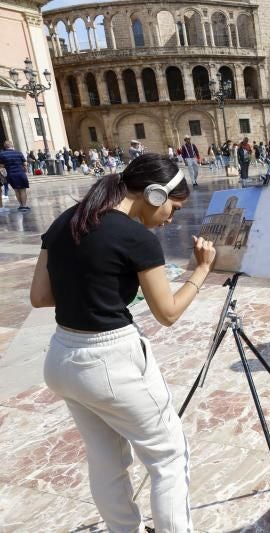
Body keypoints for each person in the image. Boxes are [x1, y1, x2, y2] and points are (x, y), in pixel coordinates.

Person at [29, 153, 216, 532]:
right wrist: (201, 270)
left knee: (105, 460)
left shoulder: (67, 220)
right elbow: (168, 313)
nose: (171, 219)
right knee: (168, 457)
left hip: (63, 357)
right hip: (111, 360)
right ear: (156, 195)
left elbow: (40, 296)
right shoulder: (135, 237)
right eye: (174, 208)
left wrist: (102, 290)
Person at [0, 141, 31, 211]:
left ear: (5, 147)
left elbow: (2, 166)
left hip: (10, 174)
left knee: (16, 190)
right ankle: (24, 206)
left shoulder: (2, 154)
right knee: (23, 190)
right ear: (12, 145)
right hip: (20, 173)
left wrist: (4, 175)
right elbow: (25, 164)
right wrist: (25, 171)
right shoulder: (19, 153)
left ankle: (20, 205)